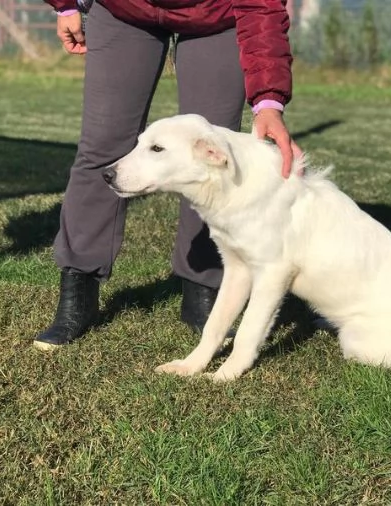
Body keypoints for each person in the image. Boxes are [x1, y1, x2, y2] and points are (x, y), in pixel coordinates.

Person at [34, 0, 301, 350]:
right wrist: (67, 5)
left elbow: (261, 6)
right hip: (123, 9)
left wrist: (268, 101)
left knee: (211, 158)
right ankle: (78, 289)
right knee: (103, 146)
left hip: (216, 16)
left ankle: (202, 290)